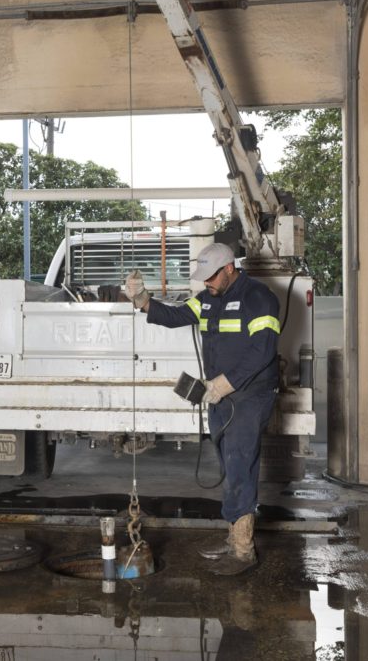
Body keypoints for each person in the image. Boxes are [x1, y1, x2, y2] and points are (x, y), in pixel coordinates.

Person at [125, 243, 280, 575]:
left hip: (249, 396)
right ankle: (235, 536)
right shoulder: (208, 298)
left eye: (211, 277)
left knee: (240, 465)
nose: (206, 283)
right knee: (229, 465)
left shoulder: (259, 297)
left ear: (229, 269)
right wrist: (142, 301)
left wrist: (226, 383)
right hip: (219, 396)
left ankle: (243, 550)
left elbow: (263, 350)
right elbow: (176, 315)